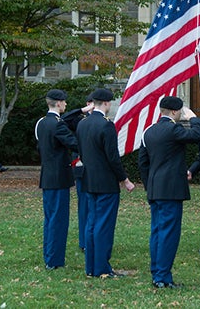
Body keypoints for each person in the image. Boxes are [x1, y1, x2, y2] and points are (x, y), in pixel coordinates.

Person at [138, 96, 200, 289]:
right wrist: (193, 118)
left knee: (157, 231)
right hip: (171, 190)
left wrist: (150, 185)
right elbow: (197, 135)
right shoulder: (173, 129)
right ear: (174, 112)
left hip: (155, 188)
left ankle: (157, 271)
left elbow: (143, 163)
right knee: (168, 233)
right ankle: (162, 276)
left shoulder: (149, 131)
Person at [76, 88, 135, 278]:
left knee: (91, 223)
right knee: (103, 226)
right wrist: (124, 179)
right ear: (107, 104)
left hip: (88, 180)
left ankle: (91, 267)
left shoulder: (82, 125)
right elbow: (112, 158)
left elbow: (82, 153)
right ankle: (101, 268)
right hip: (106, 183)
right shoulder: (106, 126)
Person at [34, 89, 79, 270]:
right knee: (58, 220)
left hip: (48, 176)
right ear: (59, 103)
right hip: (59, 177)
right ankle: (54, 261)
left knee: (50, 219)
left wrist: (82, 110)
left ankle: (49, 255)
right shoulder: (57, 125)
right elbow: (74, 143)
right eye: (64, 102)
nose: (66, 105)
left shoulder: (43, 123)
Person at [62, 95, 95, 252]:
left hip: (97, 170)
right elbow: (63, 119)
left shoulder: (103, 121)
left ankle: (94, 238)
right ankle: (84, 242)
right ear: (88, 103)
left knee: (95, 206)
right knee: (84, 205)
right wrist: (82, 110)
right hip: (81, 168)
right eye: (93, 103)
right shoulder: (79, 120)